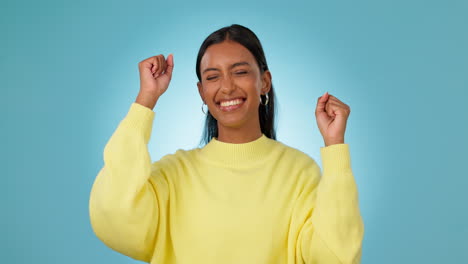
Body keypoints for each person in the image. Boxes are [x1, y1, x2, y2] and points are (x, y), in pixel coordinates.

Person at [89, 24, 364, 264]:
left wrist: (334, 146)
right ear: (202, 92)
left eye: (240, 72)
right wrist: (146, 99)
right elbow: (113, 215)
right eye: (212, 77)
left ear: (264, 82)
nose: (227, 87)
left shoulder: (300, 173)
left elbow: (335, 257)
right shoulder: (174, 174)